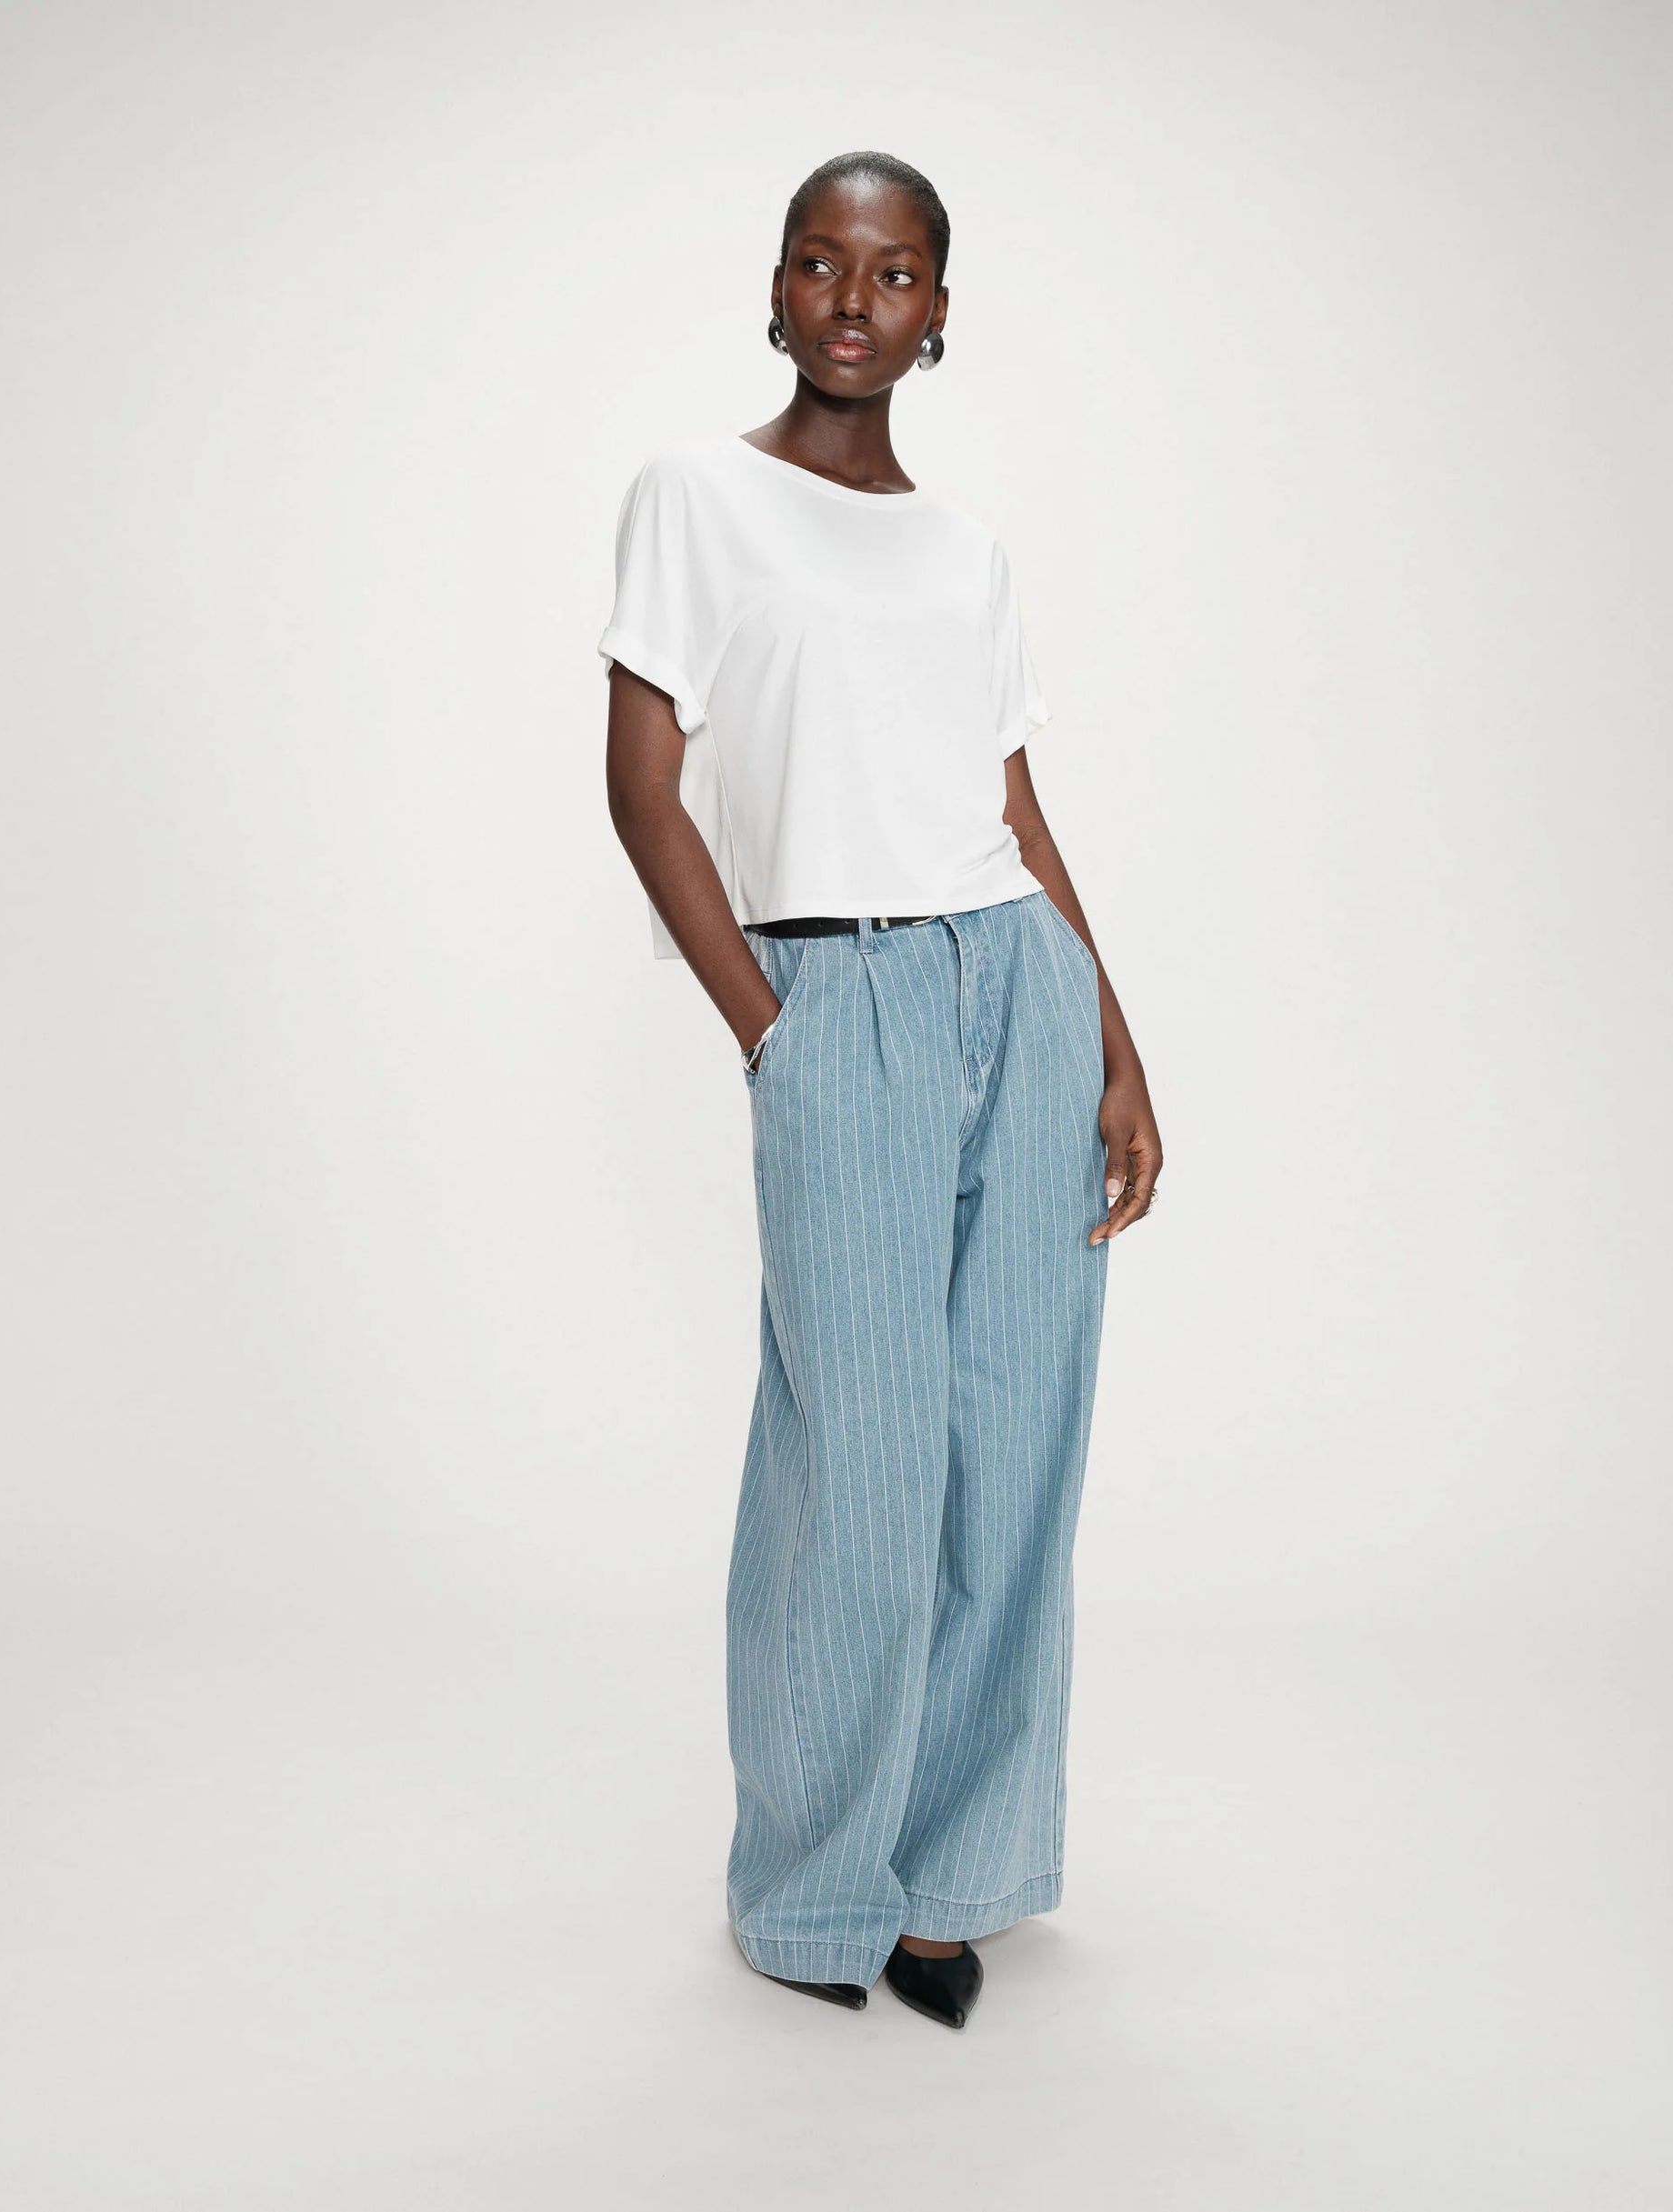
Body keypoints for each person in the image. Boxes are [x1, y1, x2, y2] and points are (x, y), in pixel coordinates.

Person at [598, 150, 1162, 2031]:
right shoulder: (694, 496)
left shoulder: (969, 550)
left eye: (896, 269)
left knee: (1014, 1446)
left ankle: (957, 1874)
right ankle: (817, 1879)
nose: (856, 297)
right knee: (864, 1451)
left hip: (1013, 971)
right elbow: (643, 784)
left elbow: (1004, 802)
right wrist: (773, 1023)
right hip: (835, 985)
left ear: (939, 314)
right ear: (776, 292)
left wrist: (1112, 1036)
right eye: (822, 264)